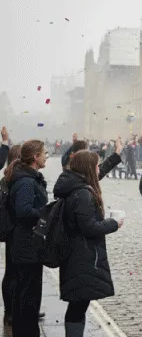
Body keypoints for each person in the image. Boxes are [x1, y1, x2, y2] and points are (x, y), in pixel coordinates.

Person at [55, 150, 122, 336]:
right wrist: (114, 223)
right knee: (78, 305)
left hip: (76, 253)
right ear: (88, 168)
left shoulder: (75, 185)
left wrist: (115, 156)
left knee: (79, 304)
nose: (98, 168)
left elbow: (97, 175)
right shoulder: (82, 194)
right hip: (81, 255)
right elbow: (89, 227)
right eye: (96, 165)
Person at [7, 140, 48, 336]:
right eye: (45, 153)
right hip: (26, 245)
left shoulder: (28, 178)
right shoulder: (26, 181)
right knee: (27, 296)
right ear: (35, 157)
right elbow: (24, 211)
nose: (47, 156)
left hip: (27, 245)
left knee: (27, 295)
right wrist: (46, 212)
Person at [1, 142, 21, 326]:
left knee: (11, 271)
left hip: (10, 230)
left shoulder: (8, 176)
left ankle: (12, 310)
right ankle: (11, 311)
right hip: (16, 231)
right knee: (14, 273)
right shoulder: (15, 178)